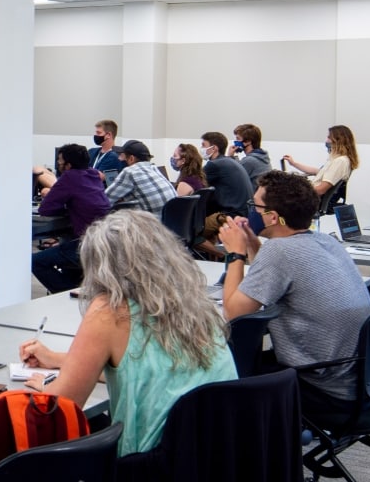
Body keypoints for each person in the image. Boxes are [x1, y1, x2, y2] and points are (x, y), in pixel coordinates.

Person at [19, 210, 236, 456]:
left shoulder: (111, 310)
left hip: (152, 463)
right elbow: (141, 368)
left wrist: (45, 388)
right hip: (217, 455)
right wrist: (58, 360)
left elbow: (60, 407)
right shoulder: (194, 303)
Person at [216, 171, 370, 412]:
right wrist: (250, 241)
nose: (251, 211)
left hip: (322, 386)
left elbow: (234, 313)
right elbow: (271, 274)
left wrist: (235, 253)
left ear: (273, 217)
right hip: (359, 377)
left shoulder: (280, 252)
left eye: (255, 206)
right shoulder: (325, 241)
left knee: (225, 369)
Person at [31, 145, 111, 294]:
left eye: (60, 161)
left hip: (85, 245)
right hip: (103, 242)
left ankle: (66, 293)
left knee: (35, 262)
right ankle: (75, 289)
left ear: (68, 165)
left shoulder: (70, 177)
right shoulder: (93, 174)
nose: (58, 164)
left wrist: (54, 199)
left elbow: (45, 209)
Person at [283, 125, 360, 198]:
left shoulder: (340, 161)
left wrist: (297, 190)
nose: (326, 140)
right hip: (311, 197)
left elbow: (321, 190)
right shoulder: (338, 160)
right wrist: (293, 163)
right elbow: (317, 171)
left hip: (312, 200)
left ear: (338, 140)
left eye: (329, 138)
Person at [104, 140, 175, 213]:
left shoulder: (130, 171)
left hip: (150, 223)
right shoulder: (154, 168)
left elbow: (103, 200)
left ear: (131, 159)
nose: (119, 159)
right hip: (170, 222)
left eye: (122, 156)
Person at [198, 132, 253, 215]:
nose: (201, 148)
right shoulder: (230, 161)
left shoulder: (214, 165)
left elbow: (196, 184)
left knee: (194, 224)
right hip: (245, 213)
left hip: (232, 216)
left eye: (203, 145)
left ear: (214, 148)